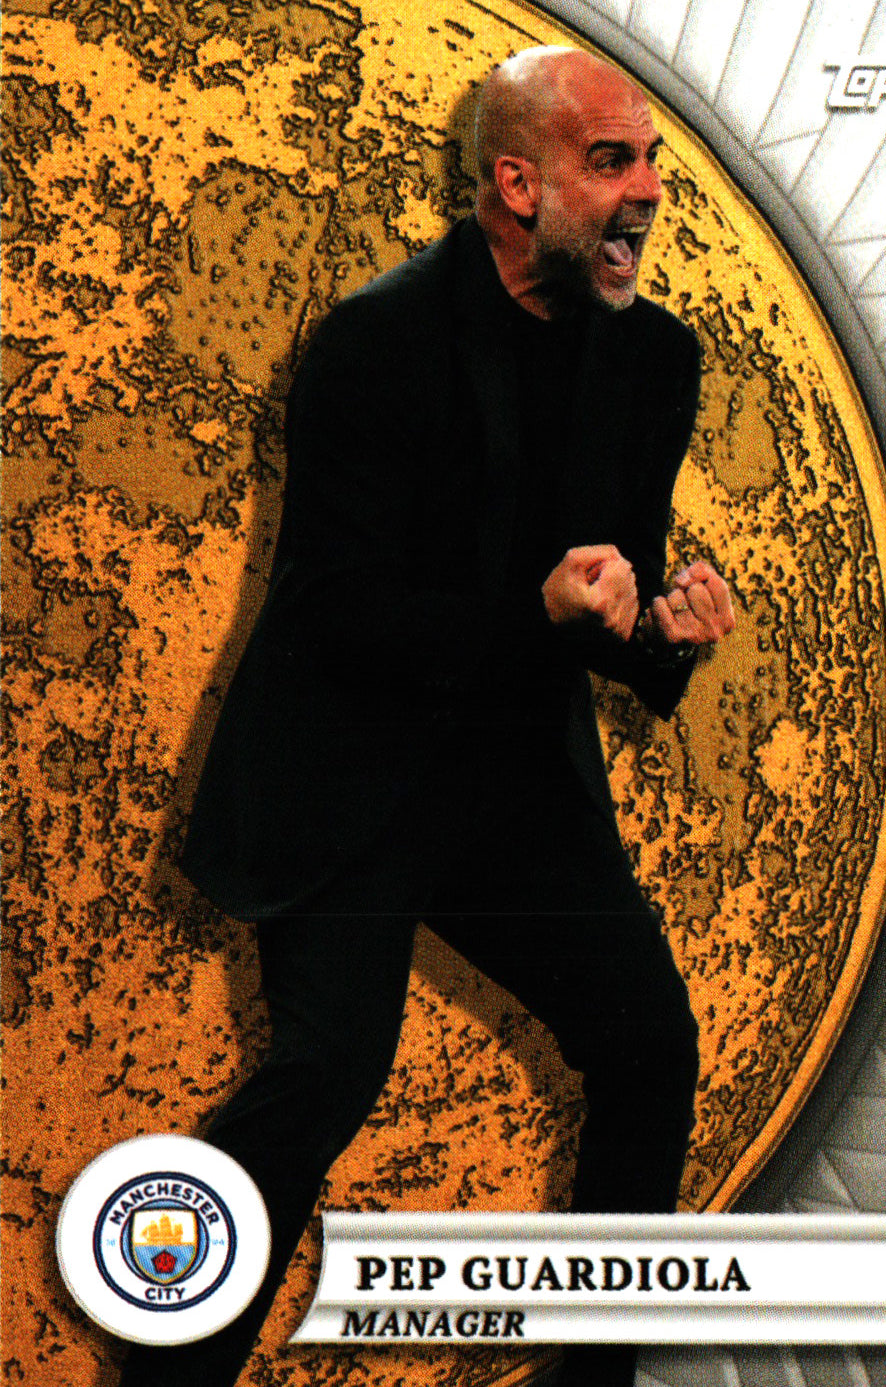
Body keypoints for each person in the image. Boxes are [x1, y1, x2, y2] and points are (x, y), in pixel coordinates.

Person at [120, 44, 735, 1387]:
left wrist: (661, 640)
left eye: (651, 162)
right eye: (611, 161)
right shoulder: (374, 342)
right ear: (517, 184)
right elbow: (342, 615)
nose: (647, 190)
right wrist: (545, 616)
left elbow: (614, 586)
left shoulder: (654, 360)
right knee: (329, 1074)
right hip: (348, 773)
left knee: (646, 1044)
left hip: (513, 784)